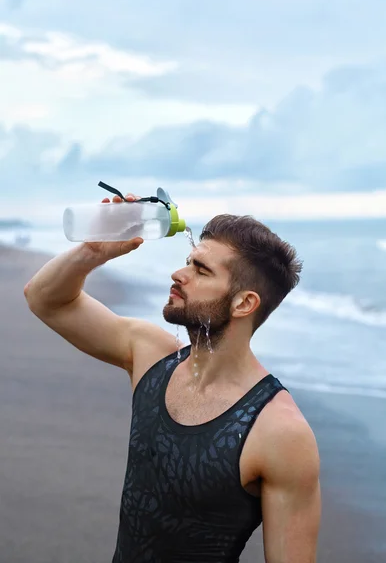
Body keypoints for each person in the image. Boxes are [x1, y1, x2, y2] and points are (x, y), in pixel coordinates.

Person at [24, 191, 321, 563]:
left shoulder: (278, 430)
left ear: (244, 303)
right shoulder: (150, 354)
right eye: (188, 261)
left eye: (201, 270)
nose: (178, 274)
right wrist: (93, 253)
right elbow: (44, 299)